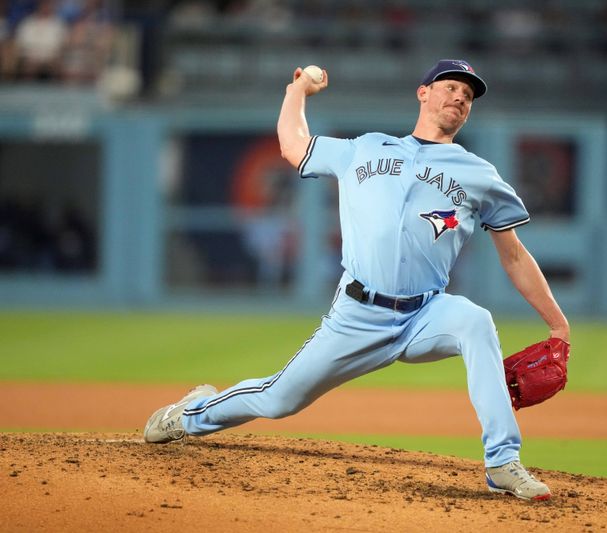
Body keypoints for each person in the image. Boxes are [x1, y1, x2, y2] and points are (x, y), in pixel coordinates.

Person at [144, 59, 571, 502]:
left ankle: (502, 461)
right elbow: (294, 146)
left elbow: (515, 255)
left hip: (426, 313)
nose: (460, 97)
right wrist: (297, 92)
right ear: (423, 93)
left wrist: (558, 325)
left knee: (475, 322)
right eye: (450, 87)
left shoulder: (480, 174)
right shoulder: (365, 148)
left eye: (469, 95)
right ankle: (190, 414)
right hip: (358, 315)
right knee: (279, 400)